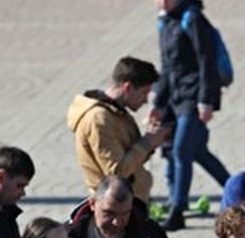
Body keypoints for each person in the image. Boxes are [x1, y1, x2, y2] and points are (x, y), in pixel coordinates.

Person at [151, 0, 231, 231]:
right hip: (175, 98)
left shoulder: (193, 18)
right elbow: (166, 67)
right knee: (197, 152)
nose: (162, 1)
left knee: (181, 150)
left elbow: (206, 61)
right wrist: (158, 105)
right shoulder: (165, 22)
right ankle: (241, 193)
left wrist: (206, 101)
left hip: (195, 97)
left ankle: (177, 210)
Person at [67, 56, 170, 201]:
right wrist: (147, 143)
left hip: (130, 200)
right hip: (116, 205)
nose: (146, 100)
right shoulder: (99, 119)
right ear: (127, 88)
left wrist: (151, 141)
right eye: (144, 93)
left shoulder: (116, 112)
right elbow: (117, 172)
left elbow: (130, 158)